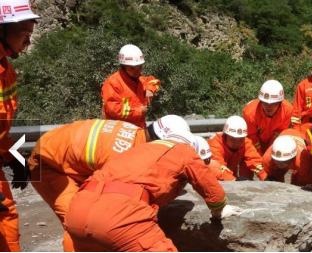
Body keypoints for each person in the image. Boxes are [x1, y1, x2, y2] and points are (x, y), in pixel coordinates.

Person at [28, 115, 190, 251]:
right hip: (48, 166)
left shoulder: (137, 134)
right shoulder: (122, 155)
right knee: (79, 222)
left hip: (69, 158)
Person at [65, 130, 240, 251]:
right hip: (119, 214)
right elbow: (207, 182)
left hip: (77, 209)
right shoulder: (184, 150)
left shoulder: (139, 148)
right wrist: (219, 210)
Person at [0, 1, 40, 250]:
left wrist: (14, 156)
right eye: (24, 35)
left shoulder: (6, 70)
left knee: (6, 218)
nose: (27, 44)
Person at [101, 44, 161, 127]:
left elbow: (154, 81)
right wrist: (138, 111)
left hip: (138, 128)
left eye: (140, 67)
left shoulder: (139, 80)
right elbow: (113, 109)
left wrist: (150, 90)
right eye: (132, 68)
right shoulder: (113, 83)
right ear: (123, 66)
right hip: (119, 130)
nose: (137, 71)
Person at [208, 116, 267, 181]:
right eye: (233, 139)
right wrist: (234, 180)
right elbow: (218, 167)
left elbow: (255, 160)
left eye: (240, 140)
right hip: (213, 177)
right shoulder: (214, 143)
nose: (237, 143)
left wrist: (265, 177)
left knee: (248, 165)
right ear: (225, 135)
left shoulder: (246, 142)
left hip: (230, 174)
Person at [242, 80, 293, 155]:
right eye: (265, 103)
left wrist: (269, 154)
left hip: (273, 142)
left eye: (273, 104)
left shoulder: (287, 110)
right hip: (253, 145)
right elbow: (252, 139)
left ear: (280, 103)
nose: (269, 107)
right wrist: (260, 158)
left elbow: (279, 133)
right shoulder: (250, 113)